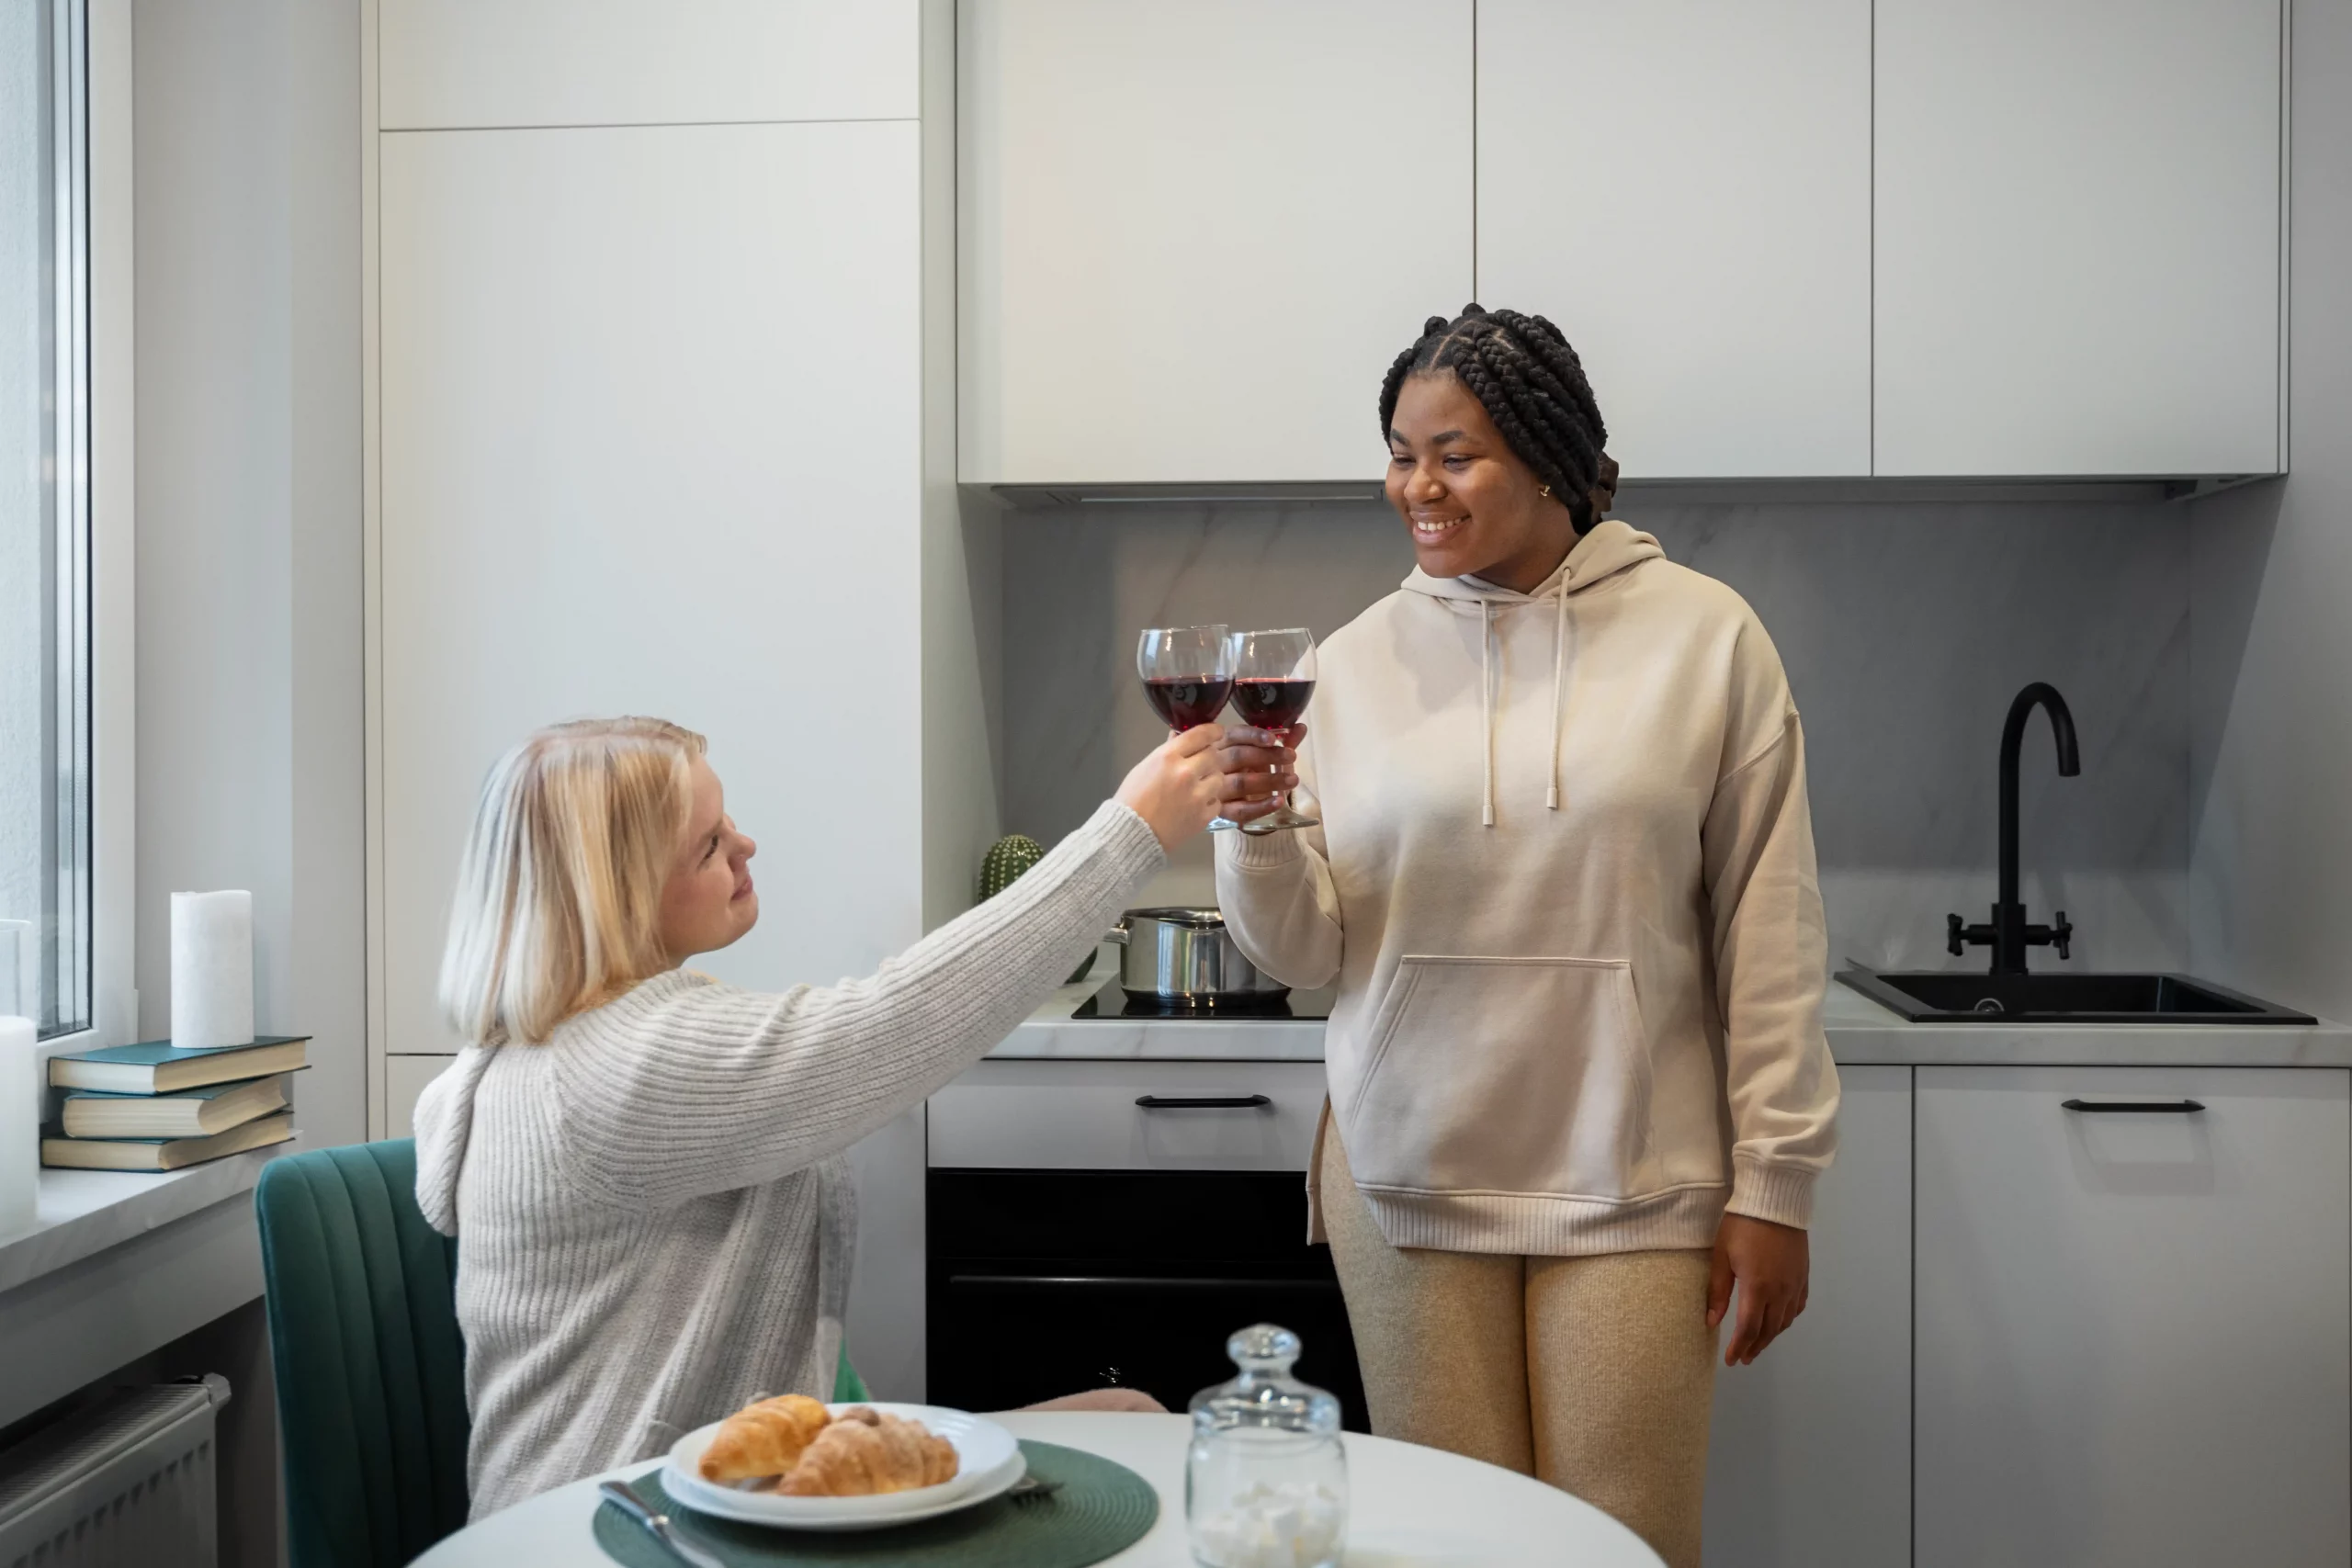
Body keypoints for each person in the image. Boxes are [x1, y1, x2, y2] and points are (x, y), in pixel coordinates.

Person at [1209, 305, 1840, 1568]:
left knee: (1627, 1545)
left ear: (1550, 453)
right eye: (1400, 450)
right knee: (1444, 1548)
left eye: (1456, 452)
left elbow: (1768, 933)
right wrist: (1256, 828)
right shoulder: (1351, 662)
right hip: (1406, 1173)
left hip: (1636, 1174)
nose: (1417, 486)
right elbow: (1308, 953)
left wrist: (1776, 1184)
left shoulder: (1708, 638)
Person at [413, 715, 1294, 1516]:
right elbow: (898, 1021)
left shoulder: (559, 1050)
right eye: (710, 844)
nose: (746, 845)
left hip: (733, 1491)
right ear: (618, 893)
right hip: (632, 1523)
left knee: (1129, 1413)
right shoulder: (627, 1070)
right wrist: (1131, 831)